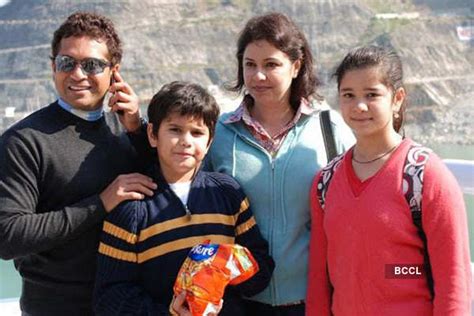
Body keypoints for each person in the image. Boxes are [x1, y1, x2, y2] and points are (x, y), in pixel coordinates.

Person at [0, 12, 156, 315]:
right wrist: (100, 203)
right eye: (66, 62)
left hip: (131, 303)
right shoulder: (24, 141)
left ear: (115, 72)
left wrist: (138, 129)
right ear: (52, 67)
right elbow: (8, 236)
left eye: (93, 65)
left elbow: (166, 188)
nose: (77, 74)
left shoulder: (129, 129)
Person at [203, 12, 355, 315]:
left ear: (296, 66)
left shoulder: (329, 129)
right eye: (250, 65)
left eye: (271, 64)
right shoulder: (218, 133)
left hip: (313, 300)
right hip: (237, 301)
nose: (258, 76)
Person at [306, 45, 472, 315]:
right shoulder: (326, 182)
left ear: (397, 99)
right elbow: (319, 279)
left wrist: (398, 271)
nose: (359, 106)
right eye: (348, 95)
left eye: (372, 94)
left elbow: (453, 279)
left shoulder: (424, 175)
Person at [93, 81, 274, 315]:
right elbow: (110, 297)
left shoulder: (228, 193)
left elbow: (262, 269)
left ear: (209, 142)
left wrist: (232, 265)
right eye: (175, 130)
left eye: (197, 132)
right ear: (153, 134)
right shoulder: (132, 208)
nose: (186, 141)